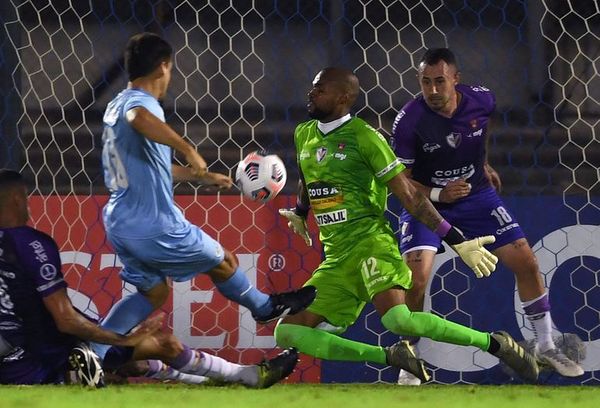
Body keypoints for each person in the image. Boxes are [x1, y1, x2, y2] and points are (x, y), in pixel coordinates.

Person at [275, 66, 539, 384]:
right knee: (287, 331)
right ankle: (389, 356)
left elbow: (411, 196)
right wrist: (302, 211)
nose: (312, 93)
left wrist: (455, 239)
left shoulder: (365, 137)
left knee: (400, 320)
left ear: (343, 97)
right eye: (313, 88)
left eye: (320, 89)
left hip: (370, 243)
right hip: (336, 257)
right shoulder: (304, 132)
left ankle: (495, 344)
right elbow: (308, 175)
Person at [95, 32, 315, 361]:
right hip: (153, 223)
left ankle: (91, 353)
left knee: (153, 293)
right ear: (163, 66)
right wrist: (187, 149)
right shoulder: (139, 105)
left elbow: (151, 166)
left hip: (120, 221)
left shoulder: (115, 103)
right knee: (224, 260)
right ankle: (266, 307)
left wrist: (199, 176)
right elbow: (138, 119)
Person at [389, 48, 583, 384]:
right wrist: (438, 194)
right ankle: (410, 356)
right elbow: (401, 183)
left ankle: (546, 344)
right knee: (416, 278)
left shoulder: (482, 100)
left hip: (475, 194)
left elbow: (481, 130)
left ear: (456, 80)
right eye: (425, 83)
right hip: (426, 202)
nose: (432, 90)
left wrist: (483, 164)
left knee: (526, 261)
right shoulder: (409, 121)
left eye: (439, 81)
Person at [0, 169, 297, 388]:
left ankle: (237, 377)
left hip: (16, 358)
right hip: (42, 359)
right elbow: (65, 320)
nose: (28, 204)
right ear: (16, 199)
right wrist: (125, 337)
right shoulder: (30, 243)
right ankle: (246, 367)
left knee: (147, 354)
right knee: (152, 346)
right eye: (25, 197)